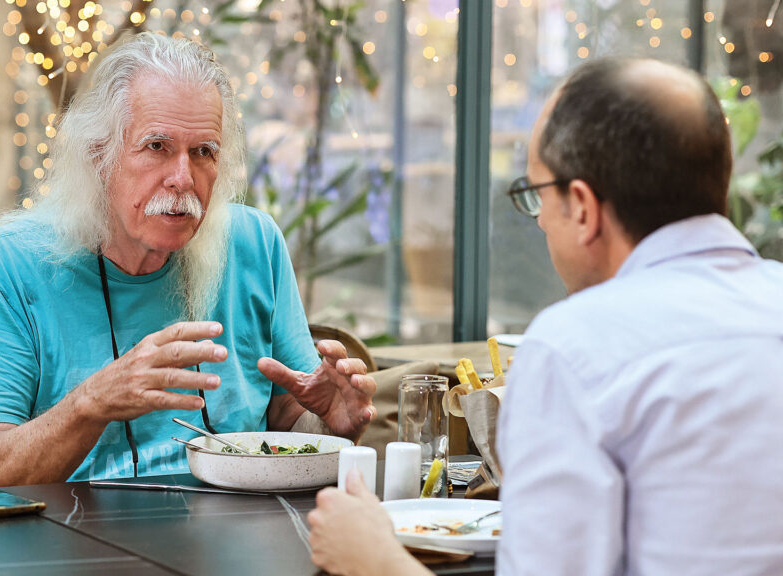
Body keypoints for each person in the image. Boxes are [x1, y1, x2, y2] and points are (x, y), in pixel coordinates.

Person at [307, 57, 783, 575]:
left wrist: (374, 559)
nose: (540, 225)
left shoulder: (574, 347)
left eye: (537, 195)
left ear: (580, 206)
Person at [0, 32, 376, 487]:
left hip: (232, 537)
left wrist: (330, 426)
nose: (182, 179)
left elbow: (290, 426)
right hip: (72, 540)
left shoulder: (255, 242)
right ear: (99, 154)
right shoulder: (6, 265)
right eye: (157, 147)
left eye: (203, 152)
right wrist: (90, 403)